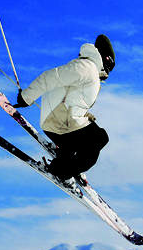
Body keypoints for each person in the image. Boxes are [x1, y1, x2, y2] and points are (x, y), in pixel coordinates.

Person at [13, 34, 116, 183]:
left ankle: (66, 158)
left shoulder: (89, 69)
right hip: (60, 123)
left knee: (90, 138)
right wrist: (27, 97)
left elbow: (73, 101)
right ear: (106, 60)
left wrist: (86, 116)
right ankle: (62, 172)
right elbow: (51, 77)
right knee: (99, 139)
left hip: (62, 122)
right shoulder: (87, 67)